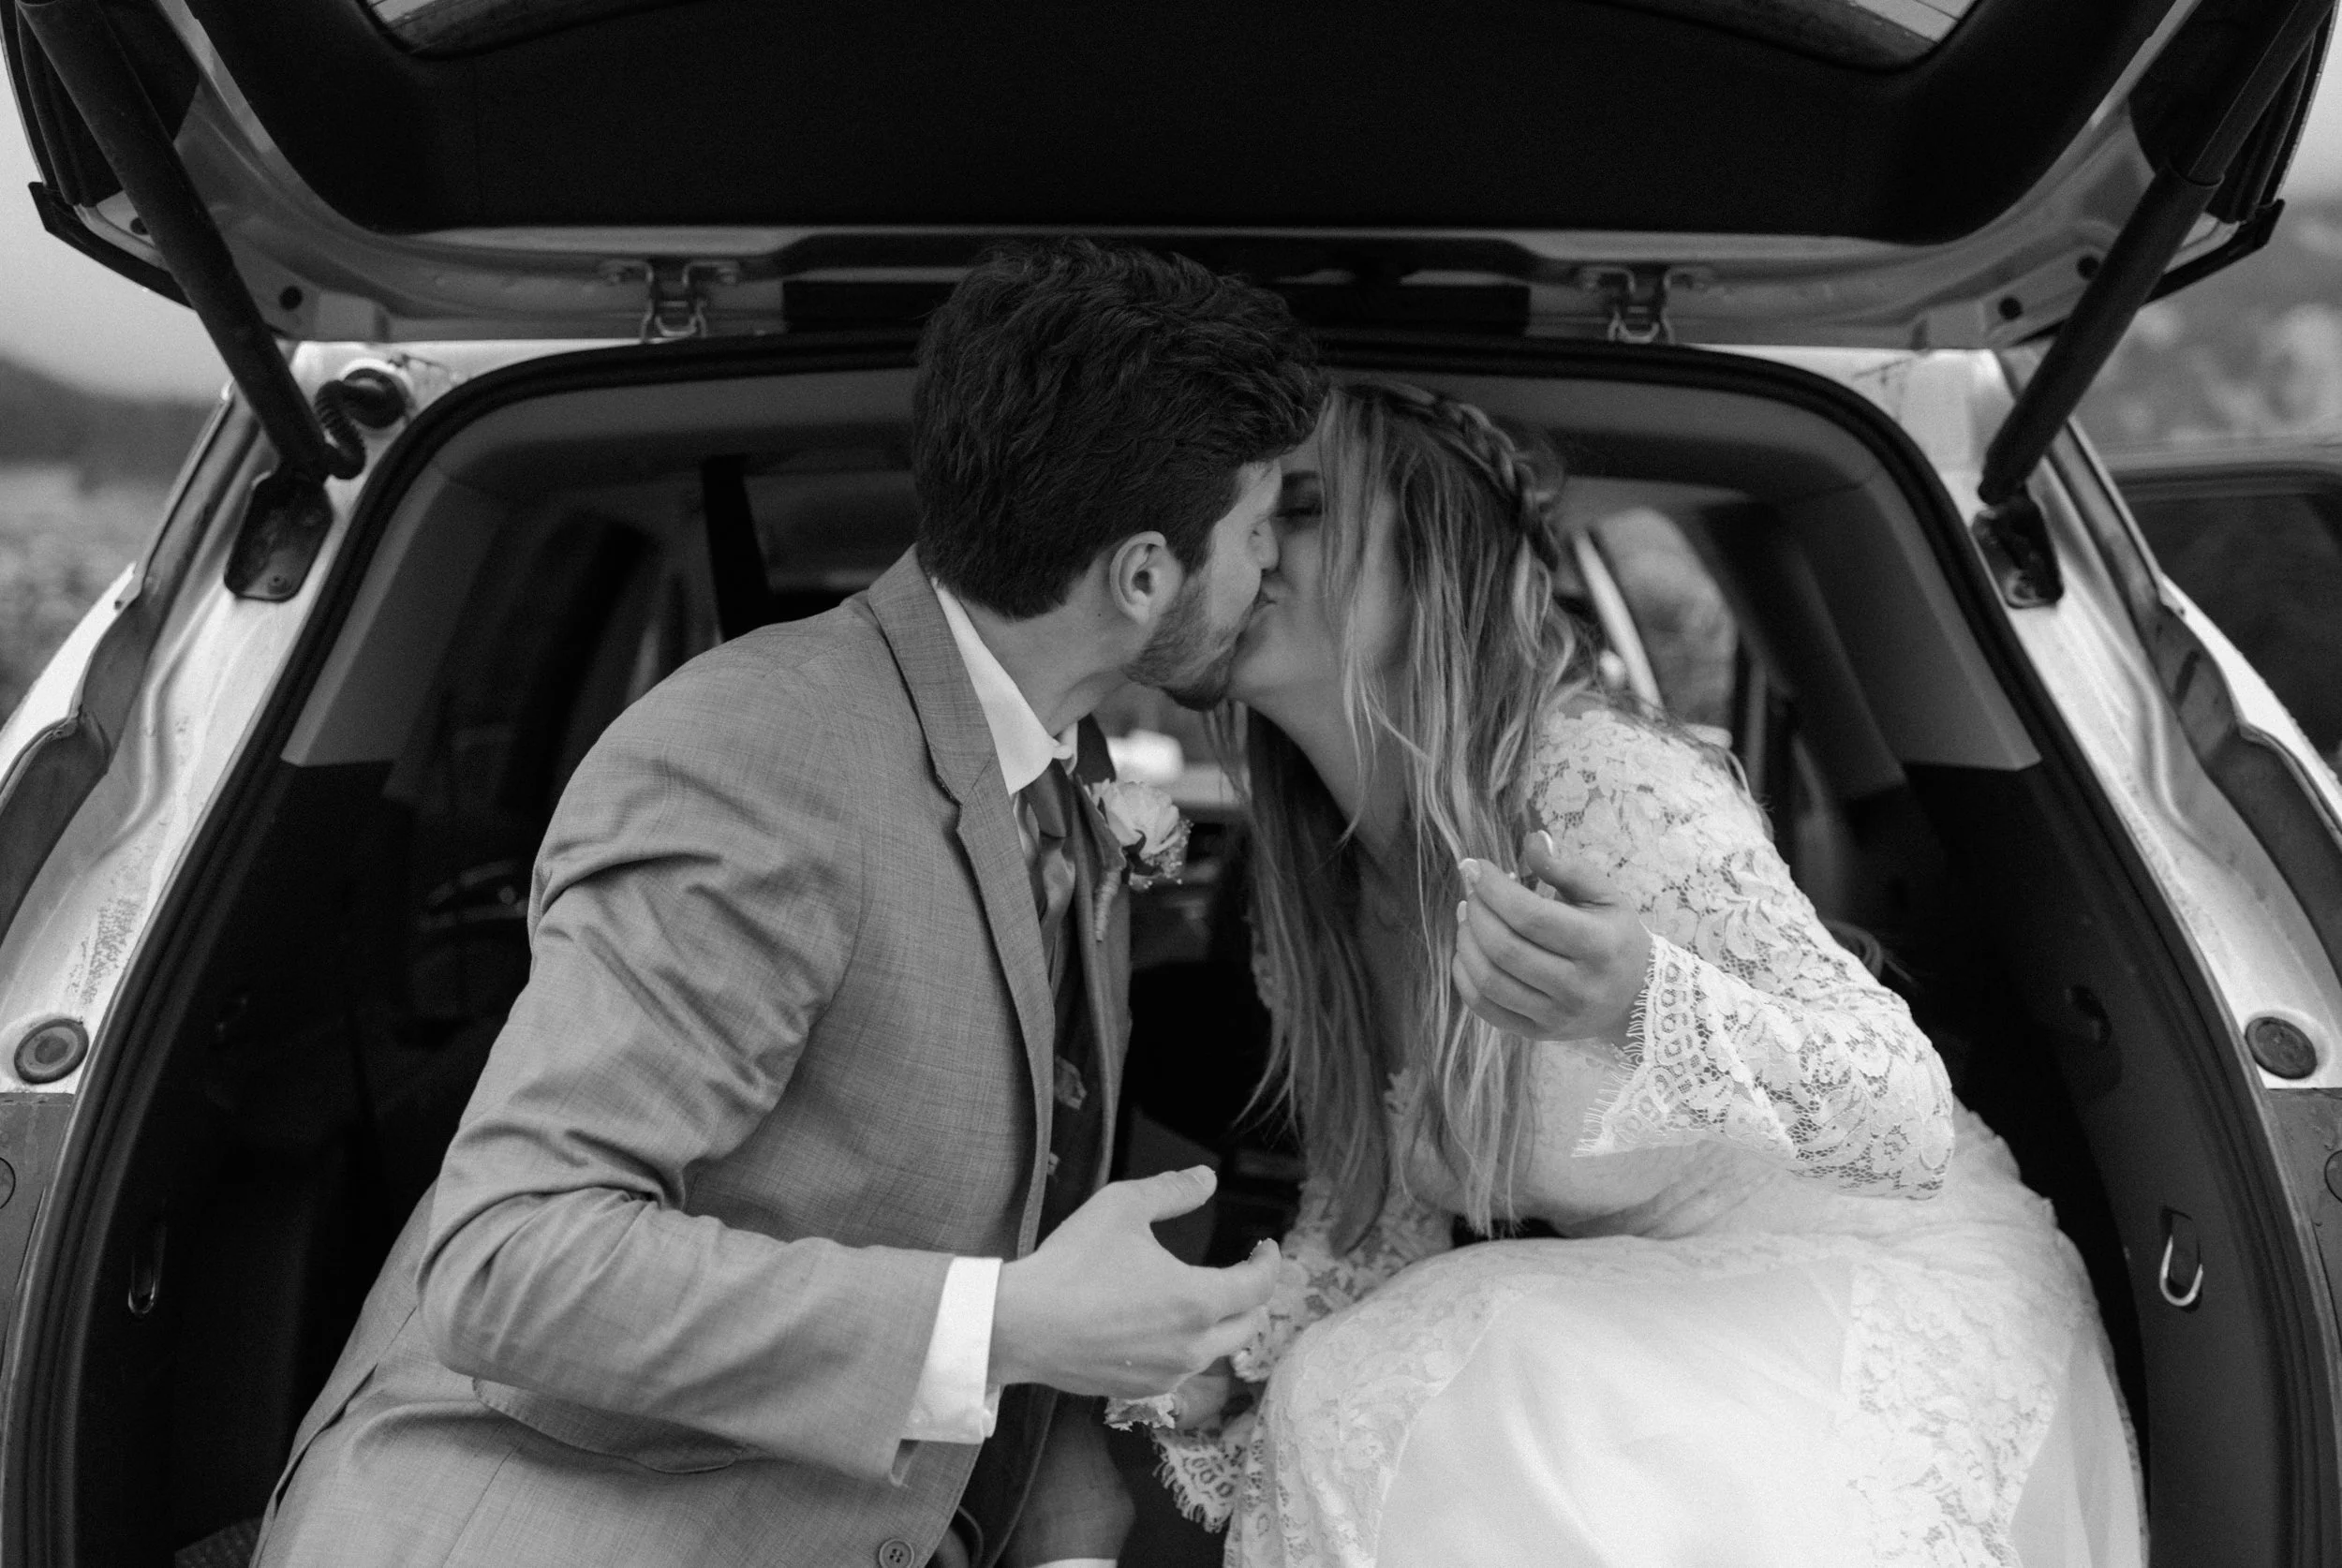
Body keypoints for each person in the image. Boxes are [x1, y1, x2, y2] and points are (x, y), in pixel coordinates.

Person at [251, 239, 1322, 1568]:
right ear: (1144, 575)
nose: (1274, 569)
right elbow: (505, 1261)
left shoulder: (1056, 758)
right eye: (1261, 529)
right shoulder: (763, 759)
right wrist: (1005, 1325)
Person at [1129, 381, 2143, 1566]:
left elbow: (1905, 1118)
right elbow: (1376, 1225)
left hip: (1887, 1286)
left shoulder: (1594, 783)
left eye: (1297, 509)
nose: (1245, 553)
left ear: (1431, 560)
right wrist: (1212, 1356)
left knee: (1440, 1356)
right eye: (1236, 522)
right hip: (1658, 1320)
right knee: (1364, 1371)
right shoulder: (1315, 891)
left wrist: (1647, 1005)